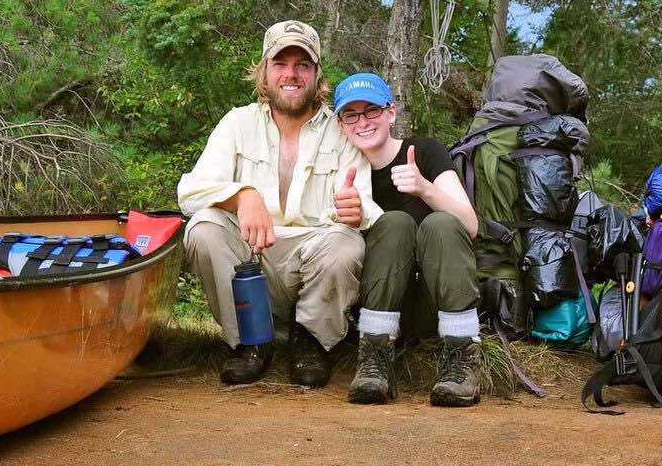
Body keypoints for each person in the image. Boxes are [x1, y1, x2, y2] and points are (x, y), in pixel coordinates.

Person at [177, 21, 382, 388]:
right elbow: (190, 192)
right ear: (264, 71)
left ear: (317, 74)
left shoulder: (339, 129)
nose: (291, 74)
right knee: (204, 228)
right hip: (252, 259)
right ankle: (250, 342)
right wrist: (243, 195)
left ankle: (312, 341)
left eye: (302, 64)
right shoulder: (237, 123)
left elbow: (365, 204)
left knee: (346, 242)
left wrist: (357, 210)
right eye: (280, 63)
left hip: (314, 258)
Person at [332, 72, 483, 407]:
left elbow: (470, 225)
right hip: (374, 305)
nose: (363, 122)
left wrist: (425, 188)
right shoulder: (341, 170)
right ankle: (374, 358)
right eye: (351, 115)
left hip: (437, 302)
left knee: (441, 223)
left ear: (391, 113)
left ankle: (462, 357)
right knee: (394, 223)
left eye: (371, 110)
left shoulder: (425, 152)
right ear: (341, 125)